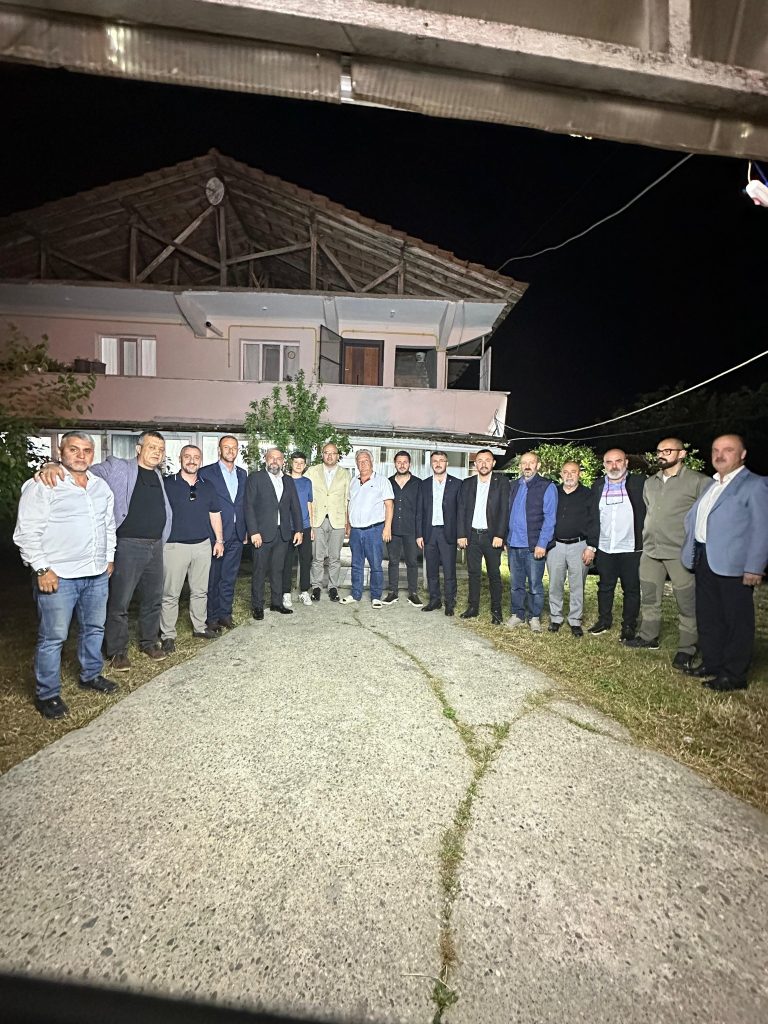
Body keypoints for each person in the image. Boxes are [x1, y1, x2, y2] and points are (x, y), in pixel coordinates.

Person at [37, 429, 173, 670]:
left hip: (155, 546)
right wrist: (53, 465)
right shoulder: (118, 467)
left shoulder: (158, 476)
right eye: (152, 447)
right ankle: (117, 651)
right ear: (138, 448)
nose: (157, 453)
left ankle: (149, 642)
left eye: (160, 450)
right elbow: (82, 469)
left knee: (153, 599)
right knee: (120, 602)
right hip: (128, 545)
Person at [14, 431, 118, 718]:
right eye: (74, 449)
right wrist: (41, 568)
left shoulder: (100, 487)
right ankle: (47, 694)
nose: (81, 455)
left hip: (96, 573)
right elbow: (26, 532)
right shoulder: (44, 484)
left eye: (86, 450)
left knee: (94, 628)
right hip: (59, 576)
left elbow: (108, 525)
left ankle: (91, 675)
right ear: (61, 452)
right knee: (53, 637)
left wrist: (108, 557)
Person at [681, 434, 768, 692]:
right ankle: (712, 663)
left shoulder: (755, 485)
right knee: (709, 616)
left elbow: (762, 528)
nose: (719, 455)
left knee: (736, 621)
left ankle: (734, 674)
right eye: (715, 450)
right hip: (705, 559)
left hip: (734, 565)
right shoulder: (712, 484)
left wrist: (754, 566)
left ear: (742, 455)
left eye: (728, 450)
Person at [624, 438, 711, 668]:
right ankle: (648, 636)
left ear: (682, 454)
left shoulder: (698, 481)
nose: (662, 454)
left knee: (686, 602)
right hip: (651, 550)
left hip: (679, 552)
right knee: (650, 596)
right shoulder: (650, 482)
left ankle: (688, 647)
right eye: (659, 451)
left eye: (668, 450)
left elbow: (709, 515)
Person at [159, 445, 225, 653]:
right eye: (187, 456)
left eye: (196, 457)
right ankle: (168, 635)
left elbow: (215, 514)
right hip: (174, 546)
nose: (192, 460)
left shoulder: (208, 486)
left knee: (200, 591)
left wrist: (219, 540)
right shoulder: (167, 484)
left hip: (202, 545)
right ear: (180, 459)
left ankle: (199, 627)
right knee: (170, 593)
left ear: (201, 460)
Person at [588, 448, 646, 641]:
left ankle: (628, 626)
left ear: (626, 463)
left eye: (618, 461)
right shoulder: (598, 486)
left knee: (631, 589)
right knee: (605, 586)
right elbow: (594, 518)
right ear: (604, 465)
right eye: (609, 462)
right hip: (606, 546)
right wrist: (592, 545)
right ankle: (604, 621)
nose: (614, 466)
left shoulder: (639, 484)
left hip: (631, 547)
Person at [244, 447, 302, 619]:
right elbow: (248, 506)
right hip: (261, 534)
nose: (275, 461)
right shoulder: (255, 478)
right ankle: (257, 606)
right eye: (272, 458)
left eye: (278, 458)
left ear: (283, 461)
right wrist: (253, 531)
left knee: (278, 570)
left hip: (282, 533)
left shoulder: (288, 480)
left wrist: (299, 530)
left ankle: (276, 603)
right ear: (266, 459)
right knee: (260, 570)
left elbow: (295, 507)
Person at [199, 435, 248, 631]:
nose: (230, 451)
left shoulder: (243, 474)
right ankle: (211, 618)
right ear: (219, 450)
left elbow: (243, 504)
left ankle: (225, 614)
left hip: (237, 533)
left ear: (238, 451)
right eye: (226, 447)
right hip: (215, 534)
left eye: (234, 447)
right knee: (213, 578)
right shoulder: (206, 473)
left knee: (229, 577)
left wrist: (246, 529)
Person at [506, 451, 557, 632]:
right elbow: (507, 513)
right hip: (513, 544)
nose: (527, 466)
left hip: (534, 546)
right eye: (524, 463)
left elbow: (550, 519)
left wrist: (542, 543)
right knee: (516, 584)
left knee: (535, 585)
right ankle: (518, 614)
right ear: (520, 466)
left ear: (538, 465)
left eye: (531, 462)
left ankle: (534, 617)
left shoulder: (547, 487)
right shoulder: (513, 486)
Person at [546, 461, 598, 638]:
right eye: (566, 472)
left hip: (580, 545)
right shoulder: (553, 492)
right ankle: (556, 617)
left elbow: (595, 522)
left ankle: (575, 620)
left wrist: (591, 547)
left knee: (577, 585)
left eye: (573, 472)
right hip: (555, 546)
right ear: (561, 474)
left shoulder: (588, 494)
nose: (569, 475)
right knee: (555, 583)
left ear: (579, 474)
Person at [457, 449, 509, 624]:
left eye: (487, 460)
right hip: (472, 535)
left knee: (494, 574)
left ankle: (496, 610)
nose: (484, 464)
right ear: (475, 464)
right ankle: (473, 608)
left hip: (491, 537)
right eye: (480, 460)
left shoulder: (502, 482)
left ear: (493, 463)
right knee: (473, 573)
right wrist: (461, 534)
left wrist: (500, 535)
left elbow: (504, 510)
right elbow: (461, 510)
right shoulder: (467, 483)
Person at [340, 450, 394, 608]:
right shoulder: (353, 481)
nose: (362, 464)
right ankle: (355, 594)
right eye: (359, 461)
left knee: (375, 564)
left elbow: (389, 505)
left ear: (372, 462)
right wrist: (348, 525)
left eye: (365, 460)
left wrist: (387, 528)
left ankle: (376, 596)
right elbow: (349, 504)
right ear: (356, 464)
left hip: (374, 530)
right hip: (356, 531)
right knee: (356, 564)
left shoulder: (382, 481)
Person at [417, 451, 461, 615]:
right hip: (429, 533)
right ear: (431, 464)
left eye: (441, 460)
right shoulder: (424, 484)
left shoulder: (457, 484)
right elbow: (419, 511)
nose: (438, 463)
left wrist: (461, 534)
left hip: (448, 533)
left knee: (449, 571)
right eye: (435, 461)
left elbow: (461, 512)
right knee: (431, 570)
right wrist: (419, 534)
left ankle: (450, 602)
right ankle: (434, 600)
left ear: (446, 463)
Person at [306, 442, 350, 602]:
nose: (330, 456)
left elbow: (347, 499)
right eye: (326, 452)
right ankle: (316, 586)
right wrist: (308, 521)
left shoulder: (345, 474)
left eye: (333, 453)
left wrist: (347, 522)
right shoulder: (312, 471)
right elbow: (305, 495)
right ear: (322, 455)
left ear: (338, 455)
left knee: (335, 558)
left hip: (337, 521)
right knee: (317, 557)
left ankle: (333, 588)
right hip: (317, 520)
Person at [383, 451, 423, 607]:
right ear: (395, 464)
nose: (402, 465)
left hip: (411, 530)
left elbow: (421, 510)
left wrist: (420, 533)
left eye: (405, 462)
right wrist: (385, 528)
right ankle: (392, 592)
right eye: (399, 462)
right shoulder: (388, 482)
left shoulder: (418, 483)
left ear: (410, 464)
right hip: (392, 530)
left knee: (412, 562)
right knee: (393, 561)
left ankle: (413, 593)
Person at [281, 451, 314, 607]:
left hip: (305, 526)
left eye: (302, 462)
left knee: (306, 560)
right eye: (296, 462)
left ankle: (304, 592)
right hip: (288, 527)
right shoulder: (283, 480)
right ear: (291, 463)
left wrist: (311, 527)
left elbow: (309, 504)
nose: (299, 465)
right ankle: (286, 593)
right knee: (287, 561)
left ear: (305, 465)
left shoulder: (307, 482)